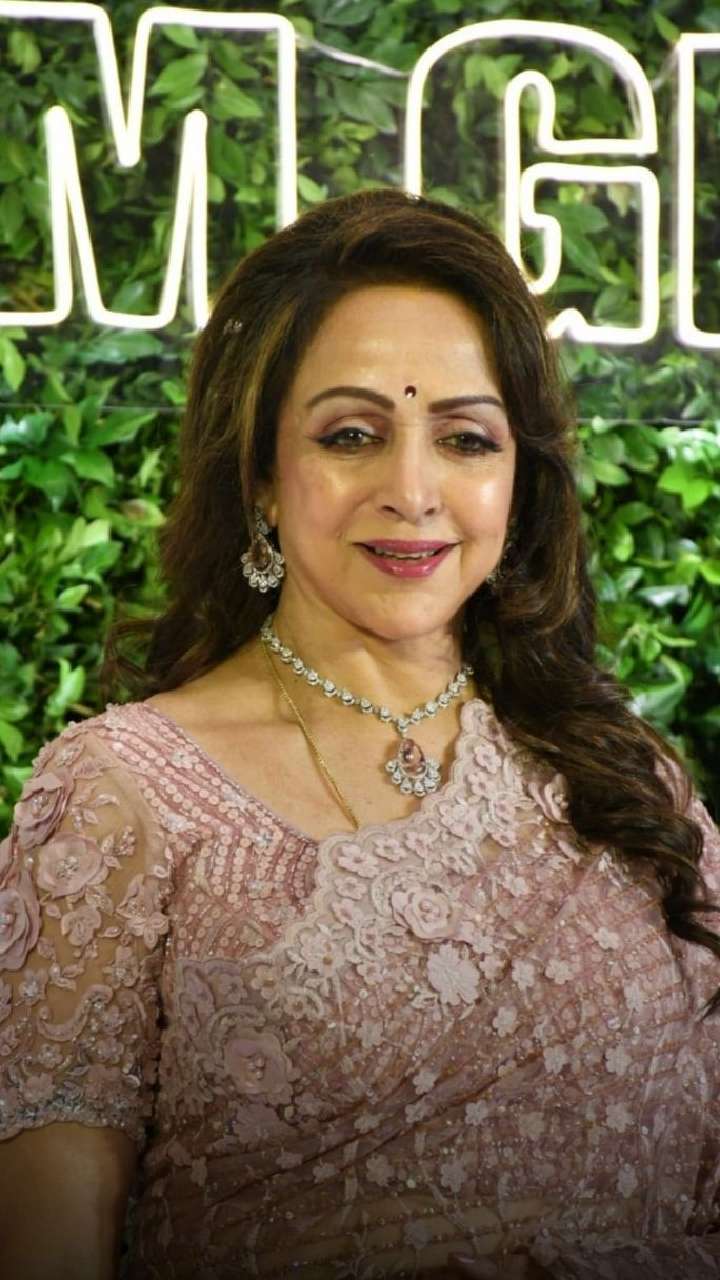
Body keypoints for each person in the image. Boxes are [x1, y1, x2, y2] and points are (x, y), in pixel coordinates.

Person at [0, 188, 719, 1280]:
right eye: (351, 435)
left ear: (518, 481)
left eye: (466, 439)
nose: (413, 491)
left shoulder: (626, 779)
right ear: (260, 476)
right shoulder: (124, 793)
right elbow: (48, 1240)